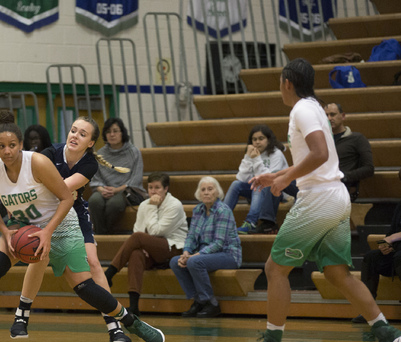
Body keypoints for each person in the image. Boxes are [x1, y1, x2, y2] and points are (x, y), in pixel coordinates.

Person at [229, 58, 401, 342]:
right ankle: (385, 332)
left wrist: (286, 177)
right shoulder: (313, 106)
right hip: (334, 196)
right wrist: (280, 175)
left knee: (275, 269)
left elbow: (321, 154)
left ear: (287, 83)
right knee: (336, 272)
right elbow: (319, 158)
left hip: (320, 199)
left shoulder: (301, 109)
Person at [0, 113, 165, 342]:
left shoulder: (39, 163)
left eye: (12, 145)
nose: (7, 151)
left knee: (85, 287)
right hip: (23, 225)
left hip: (61, 222)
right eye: (1, 146)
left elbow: (65, 197)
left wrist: (47, 232)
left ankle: (129, 322)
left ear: (21, 146)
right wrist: (4, 230)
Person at [41, 116, 132, 342]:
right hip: (45, 214)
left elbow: (63, 188)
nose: (75, 136)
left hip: (74, 213)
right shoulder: (50, 154)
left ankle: (115, 328)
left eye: (83, 134)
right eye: (73, 130)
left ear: (90, 143)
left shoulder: (89, 163)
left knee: (93, 262)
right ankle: (21, 314)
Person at [105, 172, 188, 316]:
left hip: (172, 248)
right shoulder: (144, 204)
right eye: (150, 188)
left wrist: (152, 207)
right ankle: (134, 306)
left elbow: (156, 231)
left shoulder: (174, 205)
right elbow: (138, 230)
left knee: (137, 238)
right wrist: (144, 247)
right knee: (136, 254)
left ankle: (109, 273)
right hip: (150, 250)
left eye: (157, 188)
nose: (153, 191)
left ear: (166, 188)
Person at [353, 160, 401, 325]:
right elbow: (392, 231)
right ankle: (369, 311)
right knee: (371, 257)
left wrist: (394, 238)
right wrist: (387, 244)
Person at [169, 177, 242, 318]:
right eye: (203, 190)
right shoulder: (198, 210)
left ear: (217, 192)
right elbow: (191, 236)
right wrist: (186, 252)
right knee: (175, 262)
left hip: (228, 254)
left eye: (210, 189)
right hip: (203, 255)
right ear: (199, 193)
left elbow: (219, 243)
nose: (206, 192)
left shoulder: (223, 210)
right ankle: (198, 300)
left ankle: (211, 303)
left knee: (194, 262)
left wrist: (195, 256)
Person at [223, 125, 289, 235]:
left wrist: (256, 159)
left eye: (261, 139)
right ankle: (221, 220)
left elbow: (269, 179)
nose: (257, 142)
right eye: (254, 139)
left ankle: (251, 222)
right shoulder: (252, 153)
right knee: (236, 184)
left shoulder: (276, 154)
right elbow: (242, 178)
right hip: (257, 192)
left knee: (260, 184)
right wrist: (248, 158)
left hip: (276, 192)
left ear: (268, 140)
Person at [88, 117, 146, 234]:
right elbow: (95, 178)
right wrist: (101, 189)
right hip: (104, 190)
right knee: (94, 201)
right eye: (108, 132)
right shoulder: (100, 154)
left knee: (114, 204)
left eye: (115, 131)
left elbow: (136, 178)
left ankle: (107, 234)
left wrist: (117, 189)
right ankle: (101, 235)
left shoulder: (134, 152)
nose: (112, 135)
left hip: (125, 191)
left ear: (122, 133)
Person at [325, 103, 374, 202]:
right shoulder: (323, 140)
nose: (329, 118)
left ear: (343, 116)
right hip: (323, 188)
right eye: (326, 115)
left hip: (343, 188)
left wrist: (343, 176)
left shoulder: (357, 139)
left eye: (332, 114)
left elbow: (369, 168)